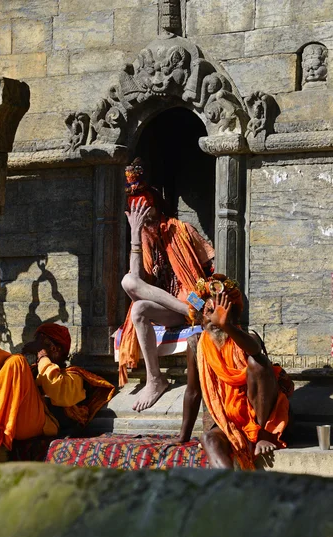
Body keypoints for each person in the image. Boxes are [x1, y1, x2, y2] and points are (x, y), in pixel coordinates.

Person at [119, 158, 214, 412]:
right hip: (175, 310)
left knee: (135, 286)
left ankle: (191, 311)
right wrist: (135, 236)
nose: (143, 216)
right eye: (136, 213)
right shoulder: (144, 239)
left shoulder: (182, 230)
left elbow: (211, 265)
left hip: (195, 299)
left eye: (145, 210)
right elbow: (136, 280)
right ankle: (155, 379)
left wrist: (211, 298)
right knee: (133, 292)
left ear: (155, 206)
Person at [0, 323, 115, 452]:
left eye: (41, 342)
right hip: (14, 416)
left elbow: (60, 394)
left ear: (55, 349)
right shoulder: (32, 371)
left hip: (40, 425)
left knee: (17, 361)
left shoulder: (75, 376)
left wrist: (43, 356)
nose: (36, 347)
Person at [178, 275, 291, 470]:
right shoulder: (195, 344)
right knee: (209, 439)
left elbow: (256, 352)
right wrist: (182, 437)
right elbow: (192, 392)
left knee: (257, 363)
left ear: (231, 315)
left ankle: (260, 436)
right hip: (222, 421)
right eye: (209, 312)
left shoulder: (246, 337)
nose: (215, 319)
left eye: (221, 313)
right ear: (201, 318)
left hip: (261, 419)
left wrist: (227, 327)